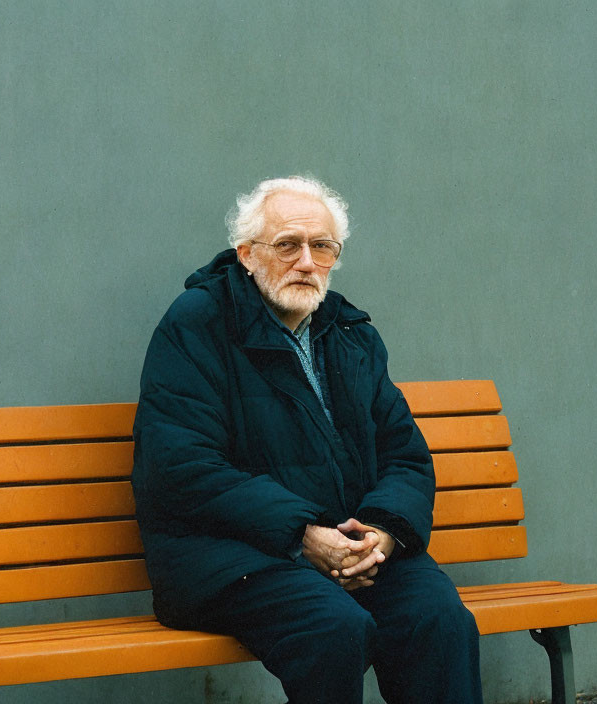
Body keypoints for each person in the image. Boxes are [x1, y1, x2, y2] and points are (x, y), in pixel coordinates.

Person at [131, 176, 482, 704]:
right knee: (333, 627)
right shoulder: (198, 323)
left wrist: (381, 535)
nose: (306, 262)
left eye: (321, 247)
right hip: (229, 558)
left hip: (350, 551)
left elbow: (404, 454)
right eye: (287, 245)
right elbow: (181, 467)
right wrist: (303, 535)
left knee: (437, 618)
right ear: (247, 255)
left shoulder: (349, 331)